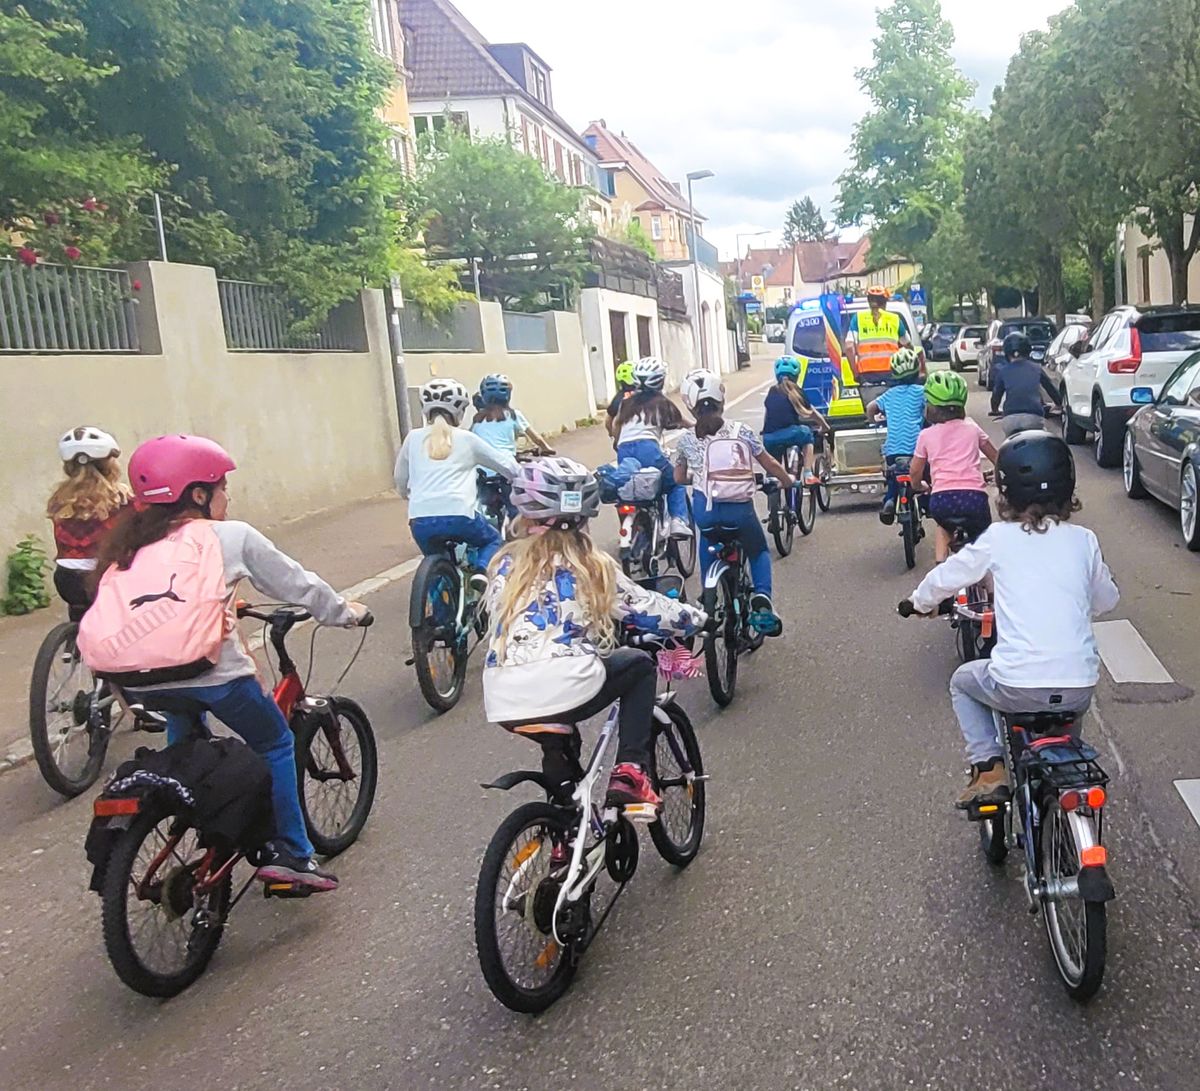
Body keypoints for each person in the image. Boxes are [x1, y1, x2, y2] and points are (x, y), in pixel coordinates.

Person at [90, 434, 372, 892]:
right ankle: (294, 857)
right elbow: (297, 584)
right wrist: (343, 612)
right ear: (198, 495)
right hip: (211, 675)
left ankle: (192, 811)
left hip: (136, 680)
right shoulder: (230, 536)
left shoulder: (130, 546)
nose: (228, 496)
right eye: (221, 487)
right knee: (276, 744)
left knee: (185, 739)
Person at [904, 432, 1119, 807]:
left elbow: (947, 577)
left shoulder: (999, 538)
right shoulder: (1084, 540)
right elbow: (1107, 599)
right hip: (1078, 686)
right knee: (1067, 725)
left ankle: (988, 766)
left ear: (1005, 491)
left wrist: (918, 602)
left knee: (963, 681)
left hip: (1017, 685)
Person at [483, 457, 706, 811]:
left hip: (503, 696)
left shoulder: (505, 564)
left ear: (525, 515)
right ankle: (630, 771)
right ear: (585, 517)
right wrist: (696, 618)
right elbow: (645, 609)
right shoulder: (591, 564)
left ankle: (563, 829)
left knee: (558, 743)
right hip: (566, 681)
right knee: (637, 667)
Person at [675, 369, 793, 637]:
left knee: (708, 539)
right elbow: (770, 463)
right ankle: (762, 598)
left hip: (705, 512)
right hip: (739, 512)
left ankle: (708, 601)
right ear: (722, 401)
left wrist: (697, 475)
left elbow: (679, 477)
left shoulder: (685, 440)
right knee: (758, 550)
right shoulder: (742, 431)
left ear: (691, 408)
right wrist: (786, 481)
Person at [394, 378, 519, 571]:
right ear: (459, 411)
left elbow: (400, 478)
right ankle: (481, 573)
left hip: (420, 520)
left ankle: (440, 588)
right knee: (492, 541)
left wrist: (405, 494)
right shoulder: (467, 439)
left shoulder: (413, 438)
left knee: (440, 562)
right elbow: (507, 467)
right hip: (461, 516)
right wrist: (519, 476)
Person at [908, 371, 999, 562]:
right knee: (983, 544)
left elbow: (915, 471)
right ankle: (989, 588)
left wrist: (919, 486)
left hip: (942, 500)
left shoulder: (925, 435)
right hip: (975, 499)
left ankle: (942, 572)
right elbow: (997, 458)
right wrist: (999, 476)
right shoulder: (973, 429)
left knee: (943, 527)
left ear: (929, 407)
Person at [46, 427, 131, 618]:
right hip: (102, 576)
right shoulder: (121, 498)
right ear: (110, 465)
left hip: (66, 577)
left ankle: (72, 643)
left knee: (79, 615)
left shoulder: (58, 500)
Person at [612, 356, 691, 538]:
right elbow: (681, 422)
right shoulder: (661, 403)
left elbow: (616, 425)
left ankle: (640, 528)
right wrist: (698, 427)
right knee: (675, 482)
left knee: (636, 488)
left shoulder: (626, 402)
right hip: (648, 449)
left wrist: (617, 444)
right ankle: (678, 520)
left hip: (624, 450)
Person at [865, 348, 927, 525]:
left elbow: (871, 408)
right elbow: (930, 409)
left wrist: (874, 421)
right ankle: (925, 502)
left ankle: (890, 501)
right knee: (923, 474)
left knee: (894, 476)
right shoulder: (921, 391)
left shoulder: (889, 394)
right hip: (917, 447)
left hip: (893, 448)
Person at [762, 355, 832, 487]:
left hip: (769, 437)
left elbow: (767, 416)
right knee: (807, 435)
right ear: (797, 375)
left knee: (774, 463)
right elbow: (813, 413)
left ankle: (773, 485)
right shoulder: (796, 391)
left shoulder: (771, 391)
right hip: (792, 434)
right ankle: (807, 474)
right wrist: (824, 426)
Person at [845, 286, 916, 404]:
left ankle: (872, 422)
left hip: (867, 376)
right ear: (885, 301)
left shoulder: (858, 319)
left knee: (872, 413)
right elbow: (908, 345)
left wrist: (855, 373)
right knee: (893, 410)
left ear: (869, 301)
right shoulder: (895, 319)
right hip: (892, 374)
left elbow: (848, 348)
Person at [471, 373, 554, 458]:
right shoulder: (514, 415)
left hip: (480, 466)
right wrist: (546, 448)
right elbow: (537, 439)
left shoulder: (477, 418)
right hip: (507, 464)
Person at [990, 332, 1057, 436]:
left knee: (1008, 444)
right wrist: (1059, 404)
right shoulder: (1037, 368)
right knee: (1040, 440)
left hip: (1010, 420)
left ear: (1007, 352)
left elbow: (996, 396)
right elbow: (1051, 389)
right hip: (1033, 418)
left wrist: (994, 410)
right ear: (1028, 350)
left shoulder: (1003, 371)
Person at [604, 361, 637, 439]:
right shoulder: (645, 393)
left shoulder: (617, 399)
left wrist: (611, 434)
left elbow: (608, 420)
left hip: (623, 440)